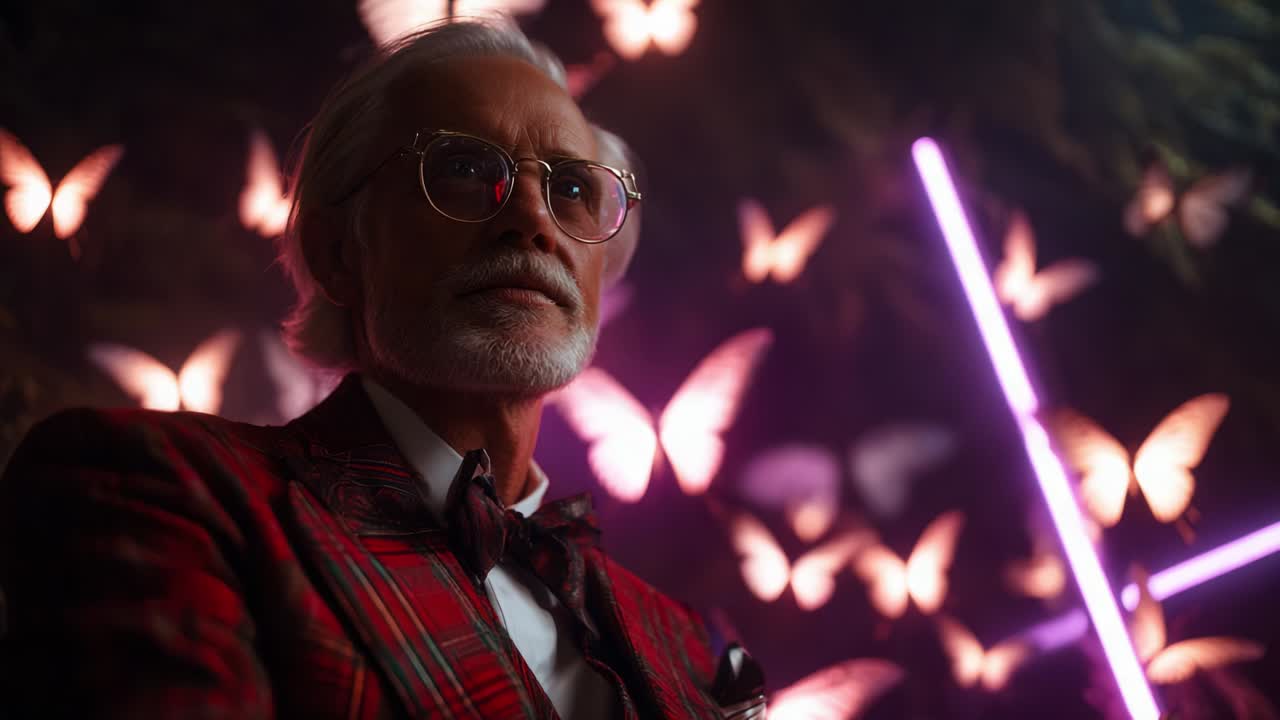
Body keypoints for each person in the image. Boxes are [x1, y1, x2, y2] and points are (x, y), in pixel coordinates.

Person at [0, 20, 741, 719]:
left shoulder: (682, 639)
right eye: (460, 168)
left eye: (572, 189)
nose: (533, 219)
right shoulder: (164, 492)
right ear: (336, 252)